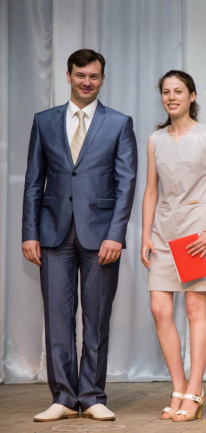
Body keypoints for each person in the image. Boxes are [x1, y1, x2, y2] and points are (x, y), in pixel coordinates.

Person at [22, 49, 138, 422]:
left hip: (102, 237)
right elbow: (33, 181)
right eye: (80, 75)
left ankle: (91, 396)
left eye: (94, 76)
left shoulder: (119, 123)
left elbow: (126, 184)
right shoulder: (44, 121)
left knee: (97, 319)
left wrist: (116, 234)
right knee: (57, 319)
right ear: (69, 75)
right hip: (52, 235)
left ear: (102, 79)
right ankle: (63, 398)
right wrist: (29, 232)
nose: (87, 82)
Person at [141, 70, 206, 422]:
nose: (171, 97)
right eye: (166, 91)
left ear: (192, 96)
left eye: (178, 91)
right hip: (162, 232)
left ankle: (195, 390)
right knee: (160, 310)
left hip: (194, 235)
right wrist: (145, 234)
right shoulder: (155, 139)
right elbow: (151, 190)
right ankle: (178, 387)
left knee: (194, 310)